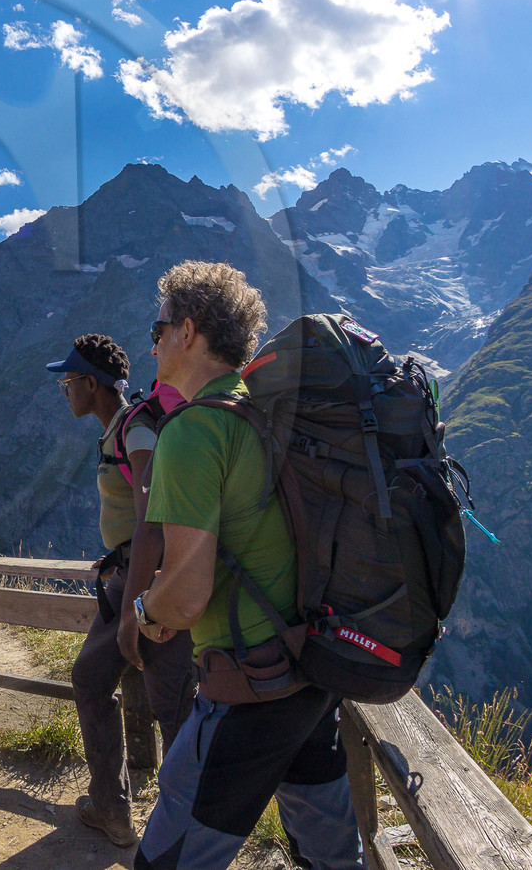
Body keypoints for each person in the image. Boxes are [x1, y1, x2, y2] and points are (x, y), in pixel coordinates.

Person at [132, 261, 363, 870]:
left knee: (166, 861)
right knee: (332, 857)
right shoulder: (267, 415)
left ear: (187, 332)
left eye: (157, 331)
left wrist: (144, 611)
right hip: (311, 670)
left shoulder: (193, 432)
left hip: (247, 686)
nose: (152, 344)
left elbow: (184, 596)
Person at [46, 335, 196, 848]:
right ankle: (113, 808)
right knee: (91, 677)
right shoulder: (119, 430)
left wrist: (135, 609)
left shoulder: (135, 431)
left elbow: (154, 520)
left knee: (173, 708)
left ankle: (181, 835)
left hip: (156, 585)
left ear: (92, 383)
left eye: (68, 382)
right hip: (130, 576)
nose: (64, 391)